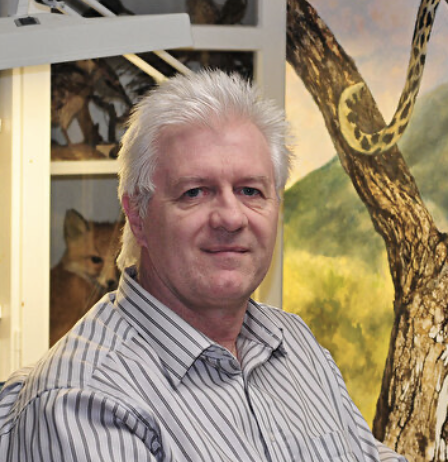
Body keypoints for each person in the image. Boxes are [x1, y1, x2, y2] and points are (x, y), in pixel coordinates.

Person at [0, 70, 406, 461]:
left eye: (251, 191)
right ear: (137, 216)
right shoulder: (86, 400)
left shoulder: (294, 343)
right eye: (195, 192)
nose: (230, 217)